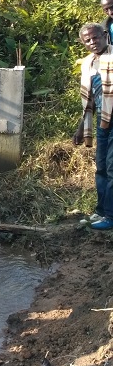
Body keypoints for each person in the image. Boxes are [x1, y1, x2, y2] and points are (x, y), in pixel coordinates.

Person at [74, 23, 113, 230]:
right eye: (87, 40)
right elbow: (89, 100)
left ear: (105, 35)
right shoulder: (89, 63)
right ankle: (100, 211)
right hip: (102, 121)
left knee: (112, 168)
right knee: (101, 168)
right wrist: (81, 128)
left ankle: (110, 216)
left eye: (95, 38)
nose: (92, 43)